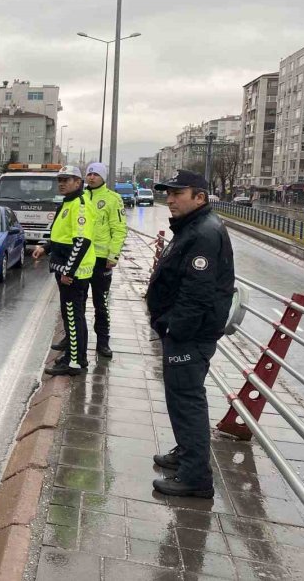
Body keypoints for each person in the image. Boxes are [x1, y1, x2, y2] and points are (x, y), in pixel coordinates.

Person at [147, 169, 235, 499]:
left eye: (177, 193)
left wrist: (175, 329)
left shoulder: (203, 233)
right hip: (184, 332)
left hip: (189, 335)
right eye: (168, 193)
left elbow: (197, 293)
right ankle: (186, 453)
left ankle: (195, 477)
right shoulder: (192, 227)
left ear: (199, 197)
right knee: (180, 396)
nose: (170, 199)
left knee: (187, 400)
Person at [32, 166, 97, 376]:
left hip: (74, 274)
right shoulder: (68, 202)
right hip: (67, 269)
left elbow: (82, 241)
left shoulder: (80, 205)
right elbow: (62, 236)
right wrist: (45, 248)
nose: (61, 183)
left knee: (72, 316)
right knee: (73, 316)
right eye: (59, 180)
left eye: (66, 180)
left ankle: (73, 363)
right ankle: (77, 356)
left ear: (78, 182)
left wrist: (68, 272)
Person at [77, 162, 126, 358]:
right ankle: (74, 340)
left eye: (96, 174)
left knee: (101, 303)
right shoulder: (80, 197)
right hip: (81, 259)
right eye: (89, 174)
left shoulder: (113, 199)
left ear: (103, 177)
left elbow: (119, 229)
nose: (91, 177)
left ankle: (103, 341)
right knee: (77, 302)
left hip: (101, 260)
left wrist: (113, 255)